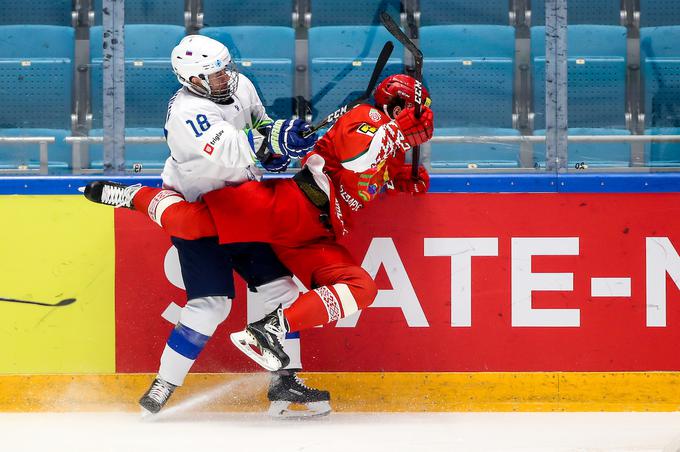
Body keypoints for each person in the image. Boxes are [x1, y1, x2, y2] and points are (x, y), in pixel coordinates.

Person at [84, 73, 434, 372]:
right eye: (418, 110)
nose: (424, 117)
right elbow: (358, 158)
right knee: (190, 225)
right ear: (398, 107)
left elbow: (372, 173)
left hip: (318, 235)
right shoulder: (367, 116)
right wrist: (396, 132)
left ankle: (269, 330)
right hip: (295, 207)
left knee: (362, 288)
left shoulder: (392, 141)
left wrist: (402, 176)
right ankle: (132, 196)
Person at [111, 34, 330, 418]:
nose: (225, 77)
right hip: (200, 212)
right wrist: (273, 141)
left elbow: (258, 123)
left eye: (225, 68)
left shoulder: (239, 85)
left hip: (242, 206)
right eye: (215, 74)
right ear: (192, 79)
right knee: (210, 306)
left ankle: (285, 381)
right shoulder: (187, 112)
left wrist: (279, 145)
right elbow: (230, 150)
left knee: (283, 293)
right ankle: (164, 382)